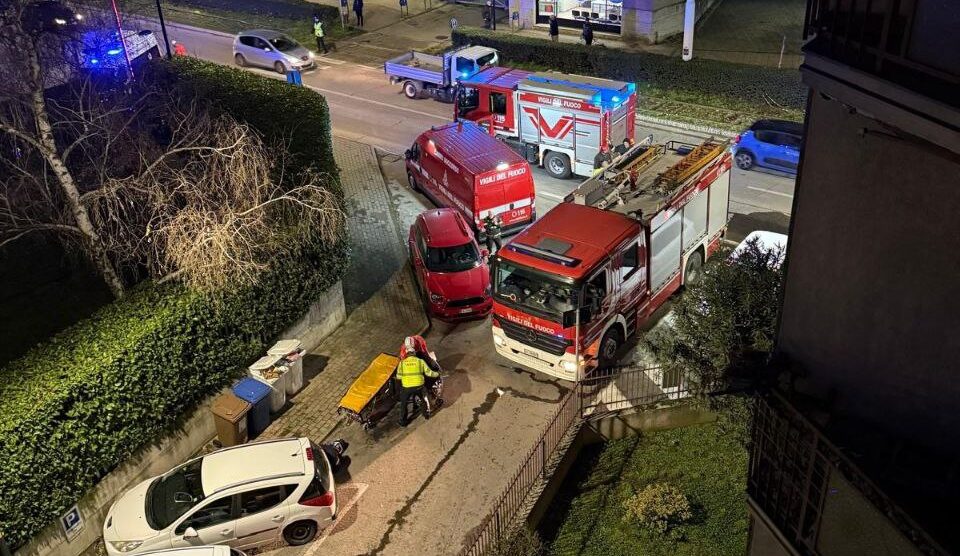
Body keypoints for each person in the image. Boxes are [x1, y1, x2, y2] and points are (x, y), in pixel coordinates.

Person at [395, 339, 440, 427]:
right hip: (419, 386)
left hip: (407, 388)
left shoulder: (402, 363)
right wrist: (437, 374)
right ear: (414, 353)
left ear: (407, 354)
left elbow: (399, 376)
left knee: (404, 404)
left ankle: (403, 422)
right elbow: (429, 373)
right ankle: (426, 414)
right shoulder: (420, 361)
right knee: (424, 399)